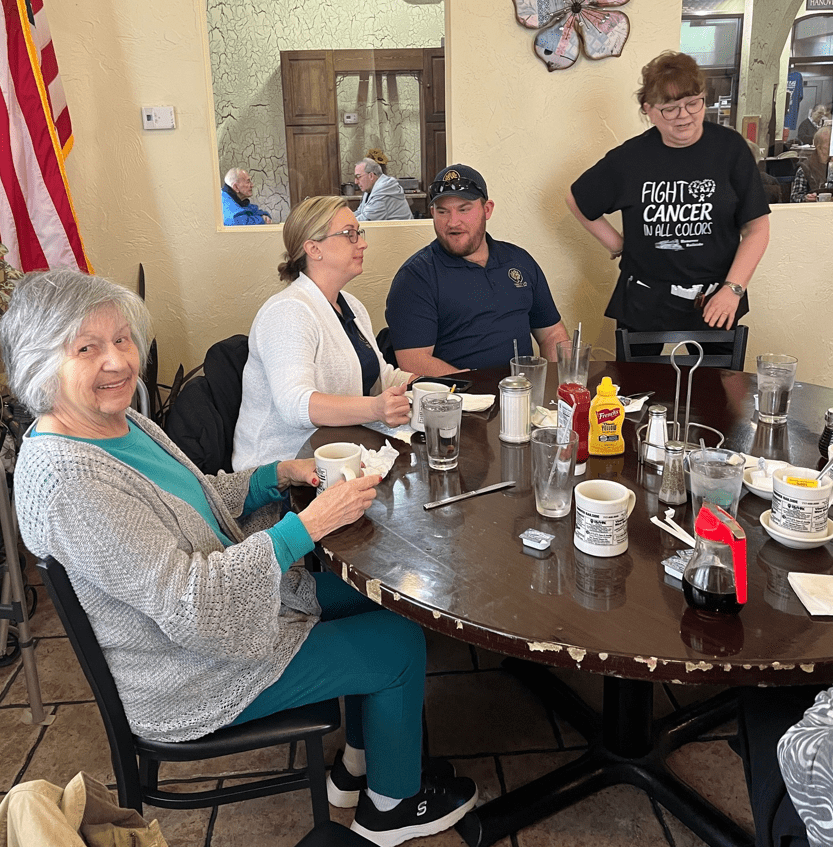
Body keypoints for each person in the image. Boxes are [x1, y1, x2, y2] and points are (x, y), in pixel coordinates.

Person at [0, 270, 477, 847]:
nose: (118, 362)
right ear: (38, 364)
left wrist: (276, 476)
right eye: (87, 347)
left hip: (226, 617)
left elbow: (196, 503)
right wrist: (309, 525)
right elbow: (193, 601)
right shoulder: (68, 481)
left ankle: (359, 765)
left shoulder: (118, 424)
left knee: (381, 600)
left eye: (123, 339)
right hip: (187, 671)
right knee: (399, 645)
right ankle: (392, 808)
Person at [566, 51, 770, 359]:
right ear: (648, 109)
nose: (684, 116)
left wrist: (733, 289)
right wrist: (620, 245)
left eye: (693, 103)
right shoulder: (630, 159)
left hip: (715, 297)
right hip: (645, 299)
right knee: (637, 395)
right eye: (670, 109)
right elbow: (577, 198)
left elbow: (757, 229)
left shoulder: (730, 149)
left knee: (715, 397)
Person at [232, 196, 414, 469]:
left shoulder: (351, 305)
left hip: (341, 455)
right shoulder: (287, 312)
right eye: (350, 235)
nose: (362, 243)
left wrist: (435, 384)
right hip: (283, 471)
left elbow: (382, 378)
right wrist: (376, 408)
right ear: (313, 248)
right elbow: (296, 405)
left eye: (359, 233)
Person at [385, 164, 569, 376]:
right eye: (443, 211)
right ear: (432, 213)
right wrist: (477, 393)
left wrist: (560, 383)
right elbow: (413, 360)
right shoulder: (416, 276)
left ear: (487, 209)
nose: (453, 222)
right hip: (459, 401)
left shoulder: (519, 261)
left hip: (522, 394)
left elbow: (552, 334)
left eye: (464, 209)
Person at [790, 126, 832, 203]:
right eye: (830, 143)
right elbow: (794, 197)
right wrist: (806, 198)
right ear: (819, 148)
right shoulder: (805, 168)